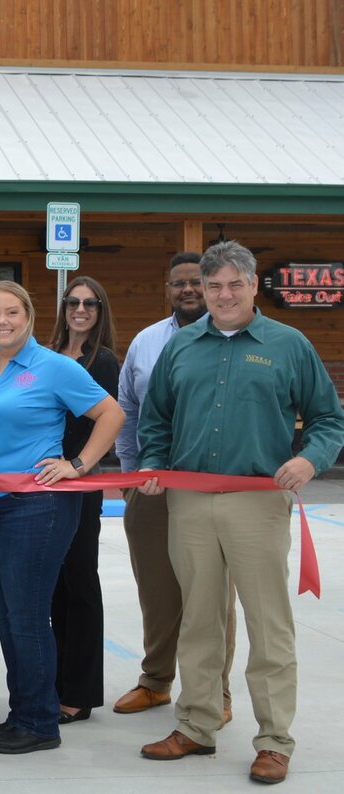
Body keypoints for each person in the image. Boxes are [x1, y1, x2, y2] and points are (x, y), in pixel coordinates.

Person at [136, 241, 344, 785]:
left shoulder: (289, 345)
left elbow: (328, 420)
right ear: (200, 290)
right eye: (213, 286)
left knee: (268, 625)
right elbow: (155, 419)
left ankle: (274, 741)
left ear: (254, 286)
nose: (223, 295)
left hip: (258, 502)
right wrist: (154, 465)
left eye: (234, 284)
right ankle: (197, 726)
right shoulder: (181, 347)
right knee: (199, 620)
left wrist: (308, 459)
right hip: (189, 503)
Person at [0, 280, 122, 754]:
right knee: (5, 614)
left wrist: (79, 464)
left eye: (12, 313)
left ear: (28, 316)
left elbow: (110, 413)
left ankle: (41, 722)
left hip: (36, 507)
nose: (1, 322)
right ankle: (25, 711)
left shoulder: (53, 367)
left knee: (26, 616)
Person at [114, 252, 238, 723]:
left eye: (196, 282)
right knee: (157, 590)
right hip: (150, 487)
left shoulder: (229, 338)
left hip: (212, 490)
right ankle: (156, 681)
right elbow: (128, 411)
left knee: (213, 595)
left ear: (210, 287)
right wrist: (131, 477)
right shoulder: (146, 343)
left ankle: (216, 694)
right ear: (167, 289)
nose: (188, 290)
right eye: (178, 283)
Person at [47, 276, 120, 725]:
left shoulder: (103, 361)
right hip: (45, 482)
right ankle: (56, 683)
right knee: (54, 587)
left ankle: (81, 691)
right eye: (73, 302)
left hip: (79, 481)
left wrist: (78, 464)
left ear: (100, 310)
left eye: (89, 303)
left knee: (80, 584)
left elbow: (105, 422)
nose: (80, 309)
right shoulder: (49, 356)